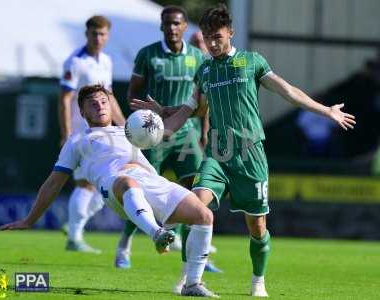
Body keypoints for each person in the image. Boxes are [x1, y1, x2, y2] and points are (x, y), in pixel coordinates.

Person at [130, 4, 356, 297]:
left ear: (231, 34)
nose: (212, 43)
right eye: (208, 38)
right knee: (195, 207)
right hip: (217, 155)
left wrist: (326, 110)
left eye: (217, 37)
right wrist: (160, 125)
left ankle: (257, 282)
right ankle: (189, 280)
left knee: (257, 226)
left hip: (250, 156)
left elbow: (288, 91)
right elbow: (189, 110)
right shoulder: (205, 70)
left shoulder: (251, 62)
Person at [0, 84, 218, 298]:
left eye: (104, 101)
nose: (100, 106)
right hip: (114, 184)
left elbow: (168, 128)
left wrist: (191, 101)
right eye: (92, 104)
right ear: (82, 111)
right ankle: (157, 233)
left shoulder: (128, 129)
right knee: (127, 182)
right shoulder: (77, 140)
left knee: (204, 216)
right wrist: (30, 220)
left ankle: (192, 284)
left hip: (151, 182)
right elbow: (53, 183)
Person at [114, 5, 221, 278]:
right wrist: (142, 122)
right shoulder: (148, 55)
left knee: (197, 193)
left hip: (187, 134)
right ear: (162, 26)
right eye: (168, 23)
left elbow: (204, 100)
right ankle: (124, 246)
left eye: (177, 24)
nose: (172, 28)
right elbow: (133, 94)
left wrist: (205, 130)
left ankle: (197, 253)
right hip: (155, 136)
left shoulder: (198, 57)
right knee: (143, 194)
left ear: (186, 27)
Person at [59, 15, 125, 253]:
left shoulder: (106, 61)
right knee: (85, 184)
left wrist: (124, 125)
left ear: (108, 36)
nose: (98, 38)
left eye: (102, 34)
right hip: (82, 133)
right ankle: (74, 238)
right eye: (94, 34)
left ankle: (75, 227)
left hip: (104, 134)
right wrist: (67, 133)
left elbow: (109, 97)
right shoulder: (75, 62)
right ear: (86, 34)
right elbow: (64, 99)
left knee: (102, 187)